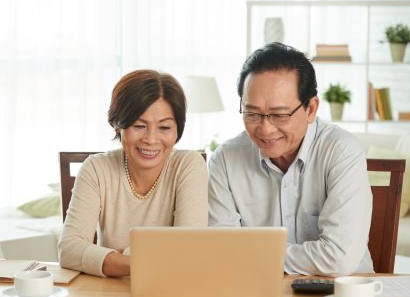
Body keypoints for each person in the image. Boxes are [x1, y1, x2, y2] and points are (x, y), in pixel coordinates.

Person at [208, 43, 374, 276]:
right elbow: (221, 251)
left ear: (311, 109)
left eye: (279, 115)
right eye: (252, 113)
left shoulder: (341, 151)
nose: (265, 129)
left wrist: (251, 255)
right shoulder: (225, 160)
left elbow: (339, 258)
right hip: (258, 295)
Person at [58, 69, 208, 277]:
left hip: (169, 289)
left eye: (164, 127)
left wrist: (112, 257)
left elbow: (189, 250)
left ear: (177, 129)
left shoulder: (188, 165)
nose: (151, 139)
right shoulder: (96, 168)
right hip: (107, 294)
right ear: (118, 125)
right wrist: (137, 263)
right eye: (139, 126)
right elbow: (68, 250)